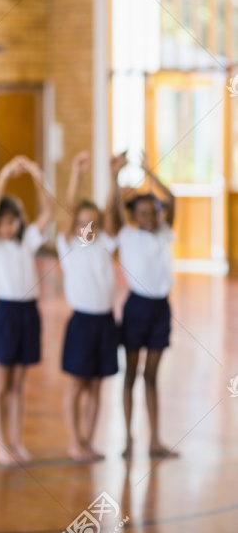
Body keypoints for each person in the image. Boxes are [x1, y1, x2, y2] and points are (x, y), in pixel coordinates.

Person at [0, 156, 53, 466]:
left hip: (28, 312)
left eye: (12, 221)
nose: (7, 226)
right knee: (0, 384)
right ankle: (0, 445)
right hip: (6, 314)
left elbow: (48, 211)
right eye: (1, 221)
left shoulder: (26, 243)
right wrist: (5, 175)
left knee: (19, 384)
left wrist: (37, 174)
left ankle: (16, 441)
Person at [110, 153, 178, 458]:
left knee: (151, 376)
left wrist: (151, 173)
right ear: (134, 216)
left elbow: (172, 198)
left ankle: (154, 440)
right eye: (143, 213)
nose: (150, 217)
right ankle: (127, 438)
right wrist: (115, 176)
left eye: (154, 212)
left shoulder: (164, 233)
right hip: (136, 308)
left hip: (161, 309)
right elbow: (113, 212)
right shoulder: (126, 235)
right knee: (131, 374)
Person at [57, 151, 120, 462]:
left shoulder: (105, 244)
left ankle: (88, 440)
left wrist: (113, 175)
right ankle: (74, 441)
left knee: (96, 386)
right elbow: (70, 209)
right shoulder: (69, 246)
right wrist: (76, 173)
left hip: (106, 323)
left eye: (92, 223)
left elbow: (109, 210)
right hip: (82, 323)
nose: (87, 227)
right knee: (77, 384)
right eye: (82, 223)